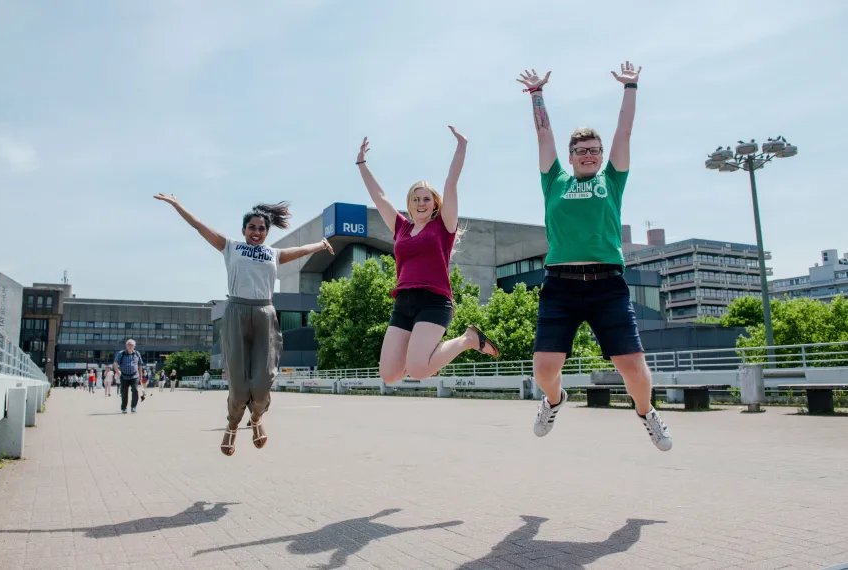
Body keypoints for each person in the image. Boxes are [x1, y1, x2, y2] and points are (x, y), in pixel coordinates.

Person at [516, 63, 671, 451]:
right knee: (544, 370)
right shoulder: (554, 180)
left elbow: (625, 130)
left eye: (594, 151)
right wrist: (537, 94)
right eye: (581, 151)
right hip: (560, 286)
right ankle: (553, 402)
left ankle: (646, 413)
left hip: (607, 287)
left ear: (602, 156)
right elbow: (543, 134)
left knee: (633, 368)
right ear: (570, 157)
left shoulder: (611, 180)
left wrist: (630, 86)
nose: (588, 155)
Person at [154, 194, 334, 456]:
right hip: (236, 312)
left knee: (262, 384)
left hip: (264, 314)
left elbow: (299, 251)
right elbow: (199, 226)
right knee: (238, 385)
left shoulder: (273, 254)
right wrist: (177, 205)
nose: (256, 232)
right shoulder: (230, 247)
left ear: (266, 232)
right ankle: (232, 426)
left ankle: (257, 418)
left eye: (261, 228)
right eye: (252, 227)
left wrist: (319, 245)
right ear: (243, 230)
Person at [355, 127, 500, 386]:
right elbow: (379, 197)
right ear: (409, 204)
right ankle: (425, 360)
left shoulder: (443, 226)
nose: (421, 203)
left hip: (434, 301)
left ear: (434, 203)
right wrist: (362, 164)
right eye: (415, 199)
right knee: (389, 375)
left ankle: (467, 339)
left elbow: (451, 184)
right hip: (403, 302)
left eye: (426, 199)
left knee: (419, 370)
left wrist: (461, 147)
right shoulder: (401, 227)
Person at [114, 339, 144, 414]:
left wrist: (140, 375)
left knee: (135, 390)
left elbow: (140, 364)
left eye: (132, 345)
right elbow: (115, 363)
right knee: (124, 392)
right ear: (126, 346)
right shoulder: (121, 353)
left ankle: (133, 407)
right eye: (129, 345)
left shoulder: (137, 353)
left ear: (134, 346)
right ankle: (124, 408)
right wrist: (117, 371)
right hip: (124, 376)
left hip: (134, 375)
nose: (130, 346)